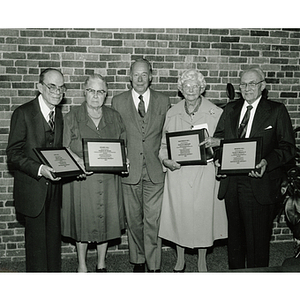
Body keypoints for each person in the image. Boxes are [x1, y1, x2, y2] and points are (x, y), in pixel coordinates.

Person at [213, 67, 296, 269]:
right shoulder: (230, 109)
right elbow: (219, 141)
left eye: (252, 83)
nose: (247, 88)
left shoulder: (276, 111)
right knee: (235, 240)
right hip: (231, 183)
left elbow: (287, 148)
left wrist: (267, 162)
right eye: (243, 84)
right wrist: (219, 159)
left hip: (259, 182)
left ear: (263, 86)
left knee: (257, 242)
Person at [158, 69, 228, 272]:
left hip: (204, 172)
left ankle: (202, 260)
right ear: (180, 89)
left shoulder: (216, 112)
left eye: (195, 86)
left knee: (203, 217)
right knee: (179, 216)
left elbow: (224, 142)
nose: (190, 90)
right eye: (186, 86)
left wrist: (217, 155)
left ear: (202, 89)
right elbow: (163, 145)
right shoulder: (172, 113)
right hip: (178, 172)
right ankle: (180, 258)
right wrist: (166, 160)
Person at [61, 74, 126, 272]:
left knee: (106, 220)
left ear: (106, 95)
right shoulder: (72, 116)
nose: (95, 96)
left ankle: (101, 263)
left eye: (100, 92)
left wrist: (125, 160)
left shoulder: (114, 116)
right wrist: (77, 161)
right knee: (82, 221)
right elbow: (63, 148)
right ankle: (82, 264)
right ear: (84, 91)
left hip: (108, 179)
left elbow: (123, 145)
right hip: (81, 180)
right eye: (91, 91)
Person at [111, 58, 171, 272]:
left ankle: (153, 265)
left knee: (153, 221)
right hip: (129, 171)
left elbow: (168, 135)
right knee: (134, 221)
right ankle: (137, 261)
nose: (139, 78)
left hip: (155, 172)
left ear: (151, 76)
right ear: (129, 76)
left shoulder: (164, 101)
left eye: (144, 74)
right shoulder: (117, 102)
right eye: (136, 74)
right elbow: (115, 136)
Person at [6, 68, 66, 272]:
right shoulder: (22, 113)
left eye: (61, 87)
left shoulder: (58, 115)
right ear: (40, 87)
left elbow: (57, 152)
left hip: (54, 191)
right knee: (36, 248)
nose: (57, 92)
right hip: (32, 191)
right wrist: (40, 169)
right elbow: (13, 155)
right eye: (52, 87)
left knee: (52, 245)